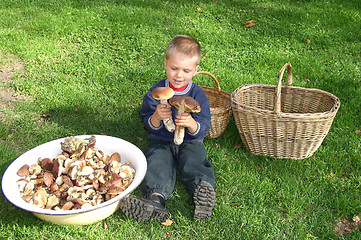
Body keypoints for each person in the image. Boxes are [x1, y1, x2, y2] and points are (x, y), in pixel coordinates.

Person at [120, 35, 216, 221]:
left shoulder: (198, 94)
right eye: (174, 68)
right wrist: (156, 117)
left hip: (190, 141)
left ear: (196, 70)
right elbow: (147, 120)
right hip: (162, 140)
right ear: (165, 64)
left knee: (194, 160)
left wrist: (191, 124)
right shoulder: (156, 91)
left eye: (186, 70)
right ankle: (156, 199)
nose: (179, 75)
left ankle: (202, 190)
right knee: (156, 161)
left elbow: (204, 126)